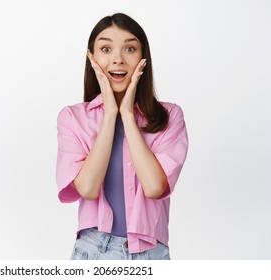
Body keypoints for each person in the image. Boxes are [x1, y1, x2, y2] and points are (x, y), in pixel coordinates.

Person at [55, 13, 188, 260]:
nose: (118, 59)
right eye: (106, 49)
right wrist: (110, 115)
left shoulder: (170, 117)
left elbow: (154, 186)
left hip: (151, 254)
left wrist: (127, 114)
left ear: (143, 58)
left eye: (129, 48)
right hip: (93, 251)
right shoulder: (72, 118)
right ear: (92, 58)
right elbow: (87, 187)